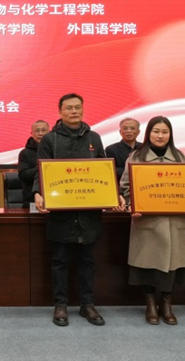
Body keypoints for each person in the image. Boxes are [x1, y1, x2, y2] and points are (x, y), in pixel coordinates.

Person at [32, 93, 125, 327]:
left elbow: (104, 169)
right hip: (61, 213)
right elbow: (40, 171)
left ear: (83, 109)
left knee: (88, 261)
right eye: (69, 108)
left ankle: (87, 305)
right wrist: (37, 192)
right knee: (60, 261)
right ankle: (60, 305)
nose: (74, 111)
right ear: (60, 112)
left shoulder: (94, 137)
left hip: (88, 212)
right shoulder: (50, 140)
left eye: (77, 107)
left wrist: (115, 193)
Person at [120, 116, 185, 326]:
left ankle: (167, 304)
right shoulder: (136, 157)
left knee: (173, 265)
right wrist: (133, 204)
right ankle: (150, 303)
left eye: (165, 132)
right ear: (148, 133)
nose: (160, 136)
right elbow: (125, 186)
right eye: (156, 131)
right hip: (147, 222)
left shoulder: (179, 156)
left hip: (175, 221)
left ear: (170, 135)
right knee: (147, 264)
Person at [104, 118, 142, 190]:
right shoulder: (111, 149)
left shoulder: (144, 148)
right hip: (121, 188)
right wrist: (134, 171)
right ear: (120, 132)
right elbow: (111, 170)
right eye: (125, 128)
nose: (129, 131)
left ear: (138, 132)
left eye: (132, 128)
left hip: (142, 186)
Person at [16, 120, 49, 192]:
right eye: (37, 131)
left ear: (49, 132)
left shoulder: (55, 150)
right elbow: (23, 176)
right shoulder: (24, 153)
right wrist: (41, 168)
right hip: (31, 193)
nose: (40, 133)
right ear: (32, 134)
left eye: (43, 130)